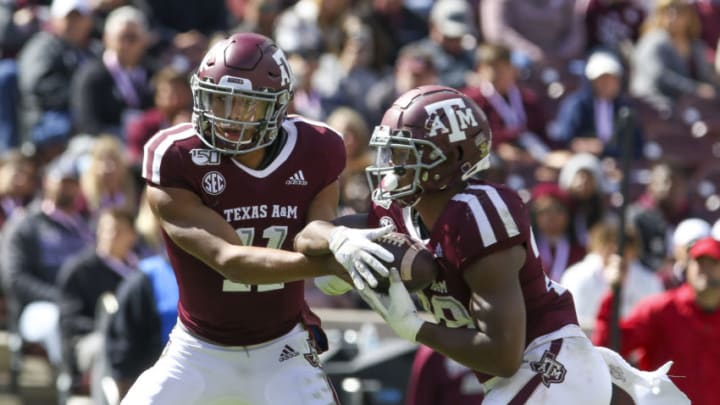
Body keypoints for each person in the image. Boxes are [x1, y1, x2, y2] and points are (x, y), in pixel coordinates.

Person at [297, 85, 688, 403]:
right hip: (515, 376)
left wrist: (415, 328)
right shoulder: (396, 207)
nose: (394, 164)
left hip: (547, 361)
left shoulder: (479, 214)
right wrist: (339, 239)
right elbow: (308, 235)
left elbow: (502, 355)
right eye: (392, 150)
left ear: (455, 157)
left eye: (408, 152)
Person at [122, 32, 393, 404]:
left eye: (245, 105)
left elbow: (315, 229)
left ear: (278, 108)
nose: (228, 116)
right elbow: (231, 262)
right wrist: (332, 264)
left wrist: (337, 241)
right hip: (197, 350)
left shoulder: (316, 147)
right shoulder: (175, 157)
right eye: (218, 99)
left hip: (282, 349)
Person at [593, 236, 720, 405]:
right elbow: (609, 349)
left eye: (713, 263)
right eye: (699, 262)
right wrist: (613, 292)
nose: (705, 269)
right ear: (688, 267)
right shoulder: (660, 309)